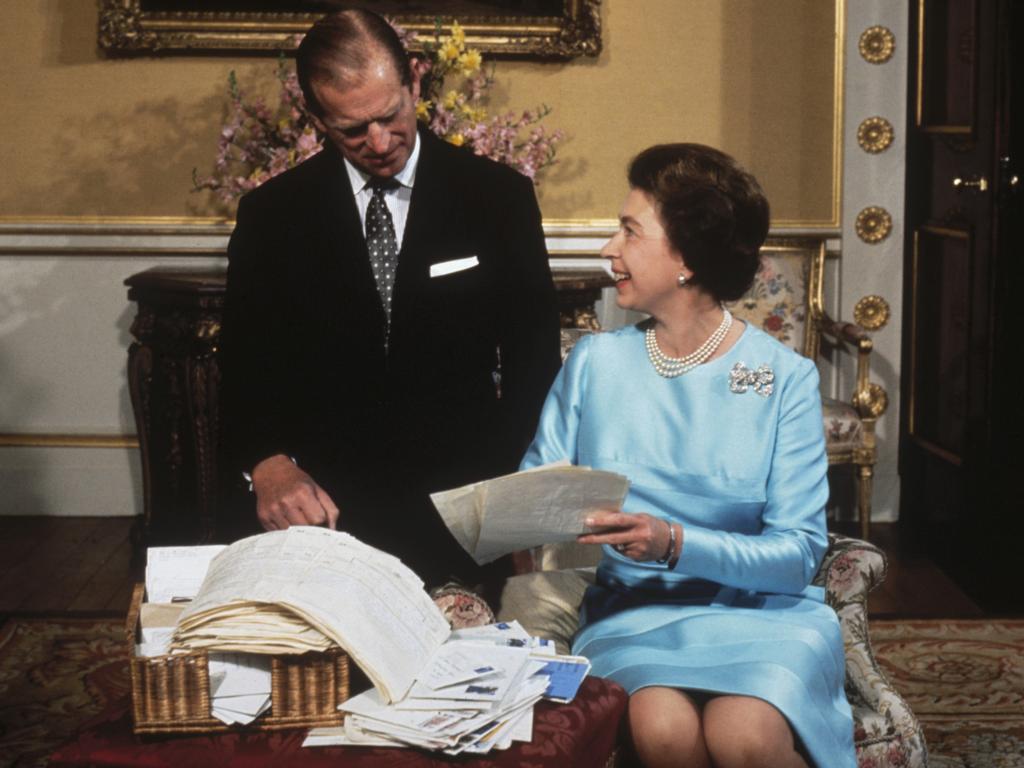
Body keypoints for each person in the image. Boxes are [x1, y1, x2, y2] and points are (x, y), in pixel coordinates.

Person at [505, 144, 856, 767]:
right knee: (663, 731)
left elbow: (798, 553)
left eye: (630, 231)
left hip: (760, 613)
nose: (608, 248)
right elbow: (539, 493)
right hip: (632, 613)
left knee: (743, 738)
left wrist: (673, 541)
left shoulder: (786, 378)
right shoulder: (595, 363)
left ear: (686, 258)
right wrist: (518, 513)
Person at [217, 8, 561, 592]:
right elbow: (244, 367)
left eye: (390, 116)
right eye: (353, 130)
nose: (379, 143)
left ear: (415, 84)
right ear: (317, 118)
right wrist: (269, 466)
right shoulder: (272, 216)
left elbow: (534, 363)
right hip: (326, 510)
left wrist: (508, 497)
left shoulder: (497, 198)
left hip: (466, 506)